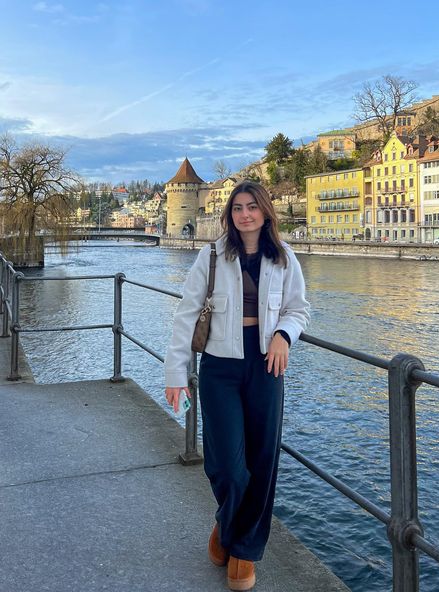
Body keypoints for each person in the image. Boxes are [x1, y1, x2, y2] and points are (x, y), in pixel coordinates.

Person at [164, 181, 310, 591]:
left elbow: (299, 308)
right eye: (238, 208)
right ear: (229, 214)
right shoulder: (211, 255)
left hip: (266, 363)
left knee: (263, 460)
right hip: (220, 366)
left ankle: (243, 549)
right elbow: (186, 314)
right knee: (226, 464)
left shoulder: (283, 258)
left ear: (265, 212)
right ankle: (226, 525)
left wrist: (284, 333)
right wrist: (176, 373)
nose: (244, 214)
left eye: (252, 207)